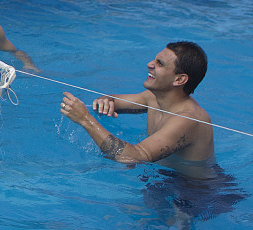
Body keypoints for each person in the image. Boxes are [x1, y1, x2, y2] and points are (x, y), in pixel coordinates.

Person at [60, 42, 216, 177]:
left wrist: (85, 120)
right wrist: (105, 101)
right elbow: (114, 100)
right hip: (164, 177)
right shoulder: (153, 97)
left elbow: (133, 157)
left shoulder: (187, 119)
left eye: (160, 63)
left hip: (195, 193)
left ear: (179, 79)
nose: (149, 64)